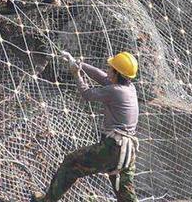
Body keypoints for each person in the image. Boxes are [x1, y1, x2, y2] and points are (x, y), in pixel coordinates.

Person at [31, 51, 140, 202]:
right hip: (128, 152)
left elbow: (87, 94)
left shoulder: (114, 91)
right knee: (125, 193)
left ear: (117, 73)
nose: (108, 70)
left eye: (111, 68)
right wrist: (79, 64)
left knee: (71, 164)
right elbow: (102, 77)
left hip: (112, 148)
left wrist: (76, 73)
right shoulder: (129, 88)